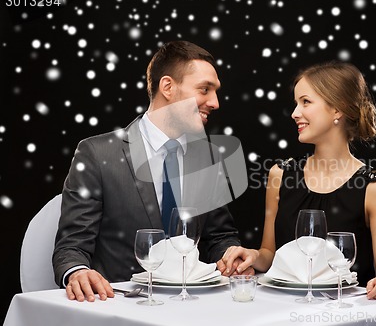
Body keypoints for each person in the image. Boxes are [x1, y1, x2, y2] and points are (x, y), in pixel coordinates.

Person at [53, 40, 252, 303]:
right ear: (167, 86)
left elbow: (219, 236)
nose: (215, 102)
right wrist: (77, 272)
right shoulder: (96, 153)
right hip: (121, 306)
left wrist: (232, 256)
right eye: (205, 89)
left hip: (194, 306)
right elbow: (72, 245)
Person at [218, 61, 376, 300]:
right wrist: (252, 255)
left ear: (338, 109)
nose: (295, 113)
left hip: (345, 312)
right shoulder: (280, 175)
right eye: (296, 103)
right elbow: (269, 253)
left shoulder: (375, 187)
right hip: (282, 307)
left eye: (306, 102)